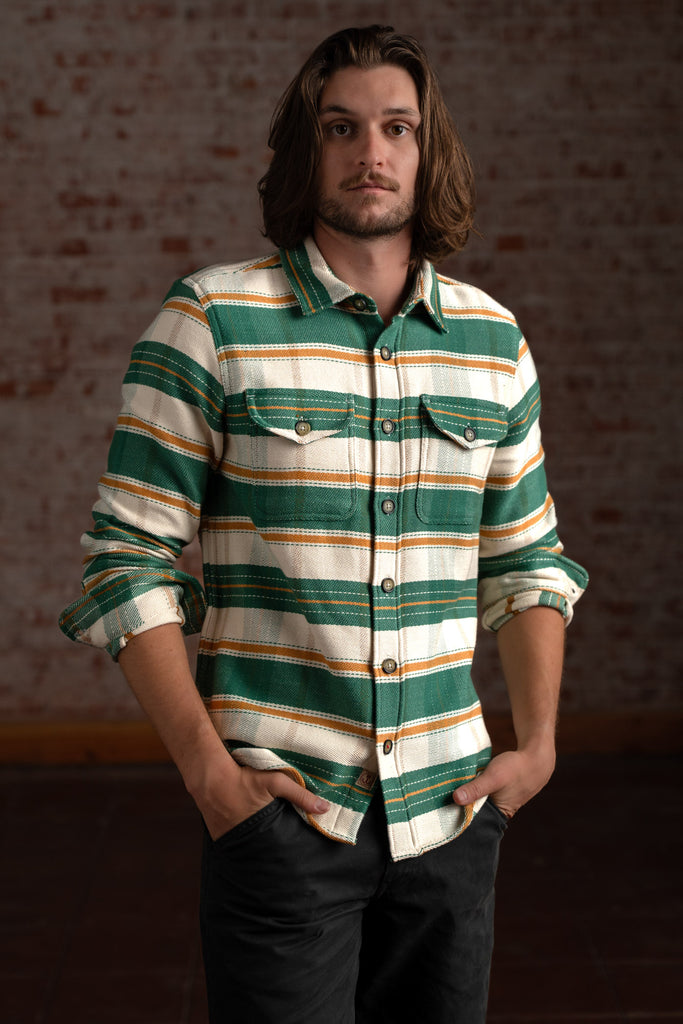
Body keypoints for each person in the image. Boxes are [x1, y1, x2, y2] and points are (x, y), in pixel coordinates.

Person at [59, 24, 588, 1024]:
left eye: (396, 127)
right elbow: (126, 559)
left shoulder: (491, 342)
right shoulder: (211, 320)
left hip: (451, 818)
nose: (370, 152)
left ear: (426, 150)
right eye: (341, 128)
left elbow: (526, 561)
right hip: (281, 820)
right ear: (308, 150)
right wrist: (210, 778)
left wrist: (540, 746)